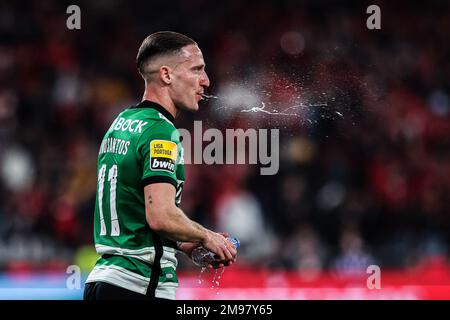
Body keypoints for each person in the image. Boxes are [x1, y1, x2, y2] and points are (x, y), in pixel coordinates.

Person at [83, 31, 237, 300]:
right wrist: (207, 236)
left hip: (105, 281)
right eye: (197, 69)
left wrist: (185, 244)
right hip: (138, 284)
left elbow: (138, 211)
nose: (206, 81)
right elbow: (161, 216)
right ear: (166, 75)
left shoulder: (121, 124)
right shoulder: (160, 132)